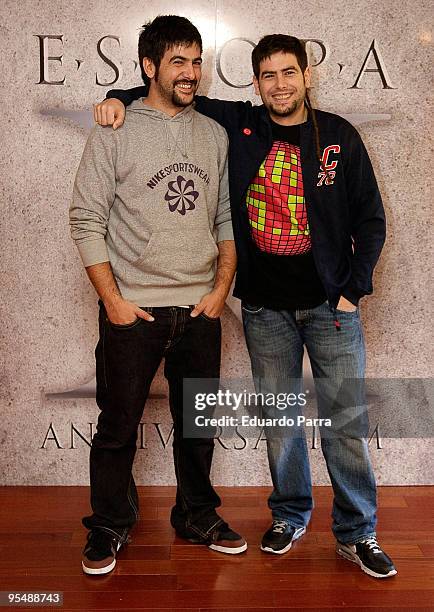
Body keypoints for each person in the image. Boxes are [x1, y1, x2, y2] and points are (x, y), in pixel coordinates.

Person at [94, 33, 397, 578]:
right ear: (255, 84)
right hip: (265, 311)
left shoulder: (340, 138)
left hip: (332, 309)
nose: (280, 85)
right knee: (281, 423)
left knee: (344, 423)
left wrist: (353, 291)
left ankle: (358, 533)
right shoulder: (240, 124)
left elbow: (371, 220)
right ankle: (289, 516)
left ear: (307, 76)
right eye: (269, 76)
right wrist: (118, 93)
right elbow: (169, 89)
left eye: (289, 73)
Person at [70, 15, 247, 576]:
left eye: (197, 61)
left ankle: (196, 513)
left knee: (197, 426)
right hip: (134, 309)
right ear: (149, 66)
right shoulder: (114, 129)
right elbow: (85, 217)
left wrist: (222, 289)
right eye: (179, 62)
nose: (191, 72)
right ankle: (109, 524)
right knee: (118, 425)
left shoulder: (214, 134)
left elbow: (225, 217)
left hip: (199, 308)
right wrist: (115, 303)